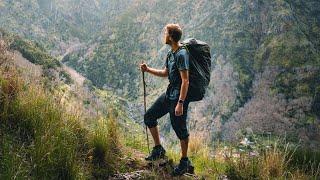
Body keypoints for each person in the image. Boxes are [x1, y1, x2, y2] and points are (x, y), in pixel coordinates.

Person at [140, 23, 194, 176]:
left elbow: (186, 80)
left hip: (178, 98)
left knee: (180, 129)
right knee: (149, 116)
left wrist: (181, 103)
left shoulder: (182, 54)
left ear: (170, 36)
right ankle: (158, 149)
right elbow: (165, 73)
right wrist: (148, 69)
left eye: (166, 33)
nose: (164, 35)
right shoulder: (171, 53)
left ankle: (184, 161)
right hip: (169, 94)